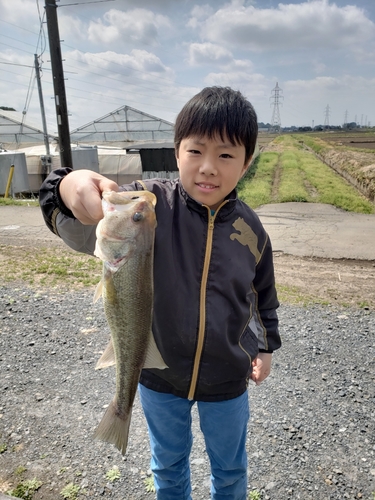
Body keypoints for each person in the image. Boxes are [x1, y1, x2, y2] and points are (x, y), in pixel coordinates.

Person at [39, 86, 281, 500]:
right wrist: (68, 184)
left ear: (246, 163)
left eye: (225, 155)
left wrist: (266, 348)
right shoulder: (148, 206)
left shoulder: (251, 230)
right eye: (195, 151)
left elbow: (262, 297)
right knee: (167, 467)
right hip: (156, 377)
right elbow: (71, 216)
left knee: (231, 470)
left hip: (227, 379)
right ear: (176, 151)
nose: (207, 167)